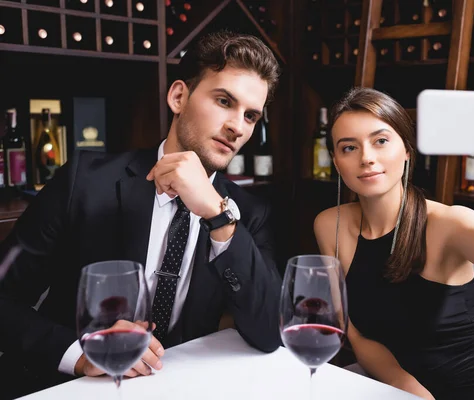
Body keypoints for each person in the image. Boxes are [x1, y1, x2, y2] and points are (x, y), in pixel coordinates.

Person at [0, 30, 282, 399]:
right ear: (179, 96)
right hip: (76, 387)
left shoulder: (246, 213)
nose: (237, 126)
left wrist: (216, 212)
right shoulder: (84, 181)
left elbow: (269, 332)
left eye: (250, 115)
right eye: (224, 101)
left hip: (183, 388)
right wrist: (80, 354)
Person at [314, 84, 474, 400]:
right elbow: (356, 333)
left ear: (406, 151)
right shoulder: (330, 225)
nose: (366, 158)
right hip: (416, 389)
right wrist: (410, 390)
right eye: (349, 147)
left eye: (381, 141)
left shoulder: (447, 223)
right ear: (337, 161)